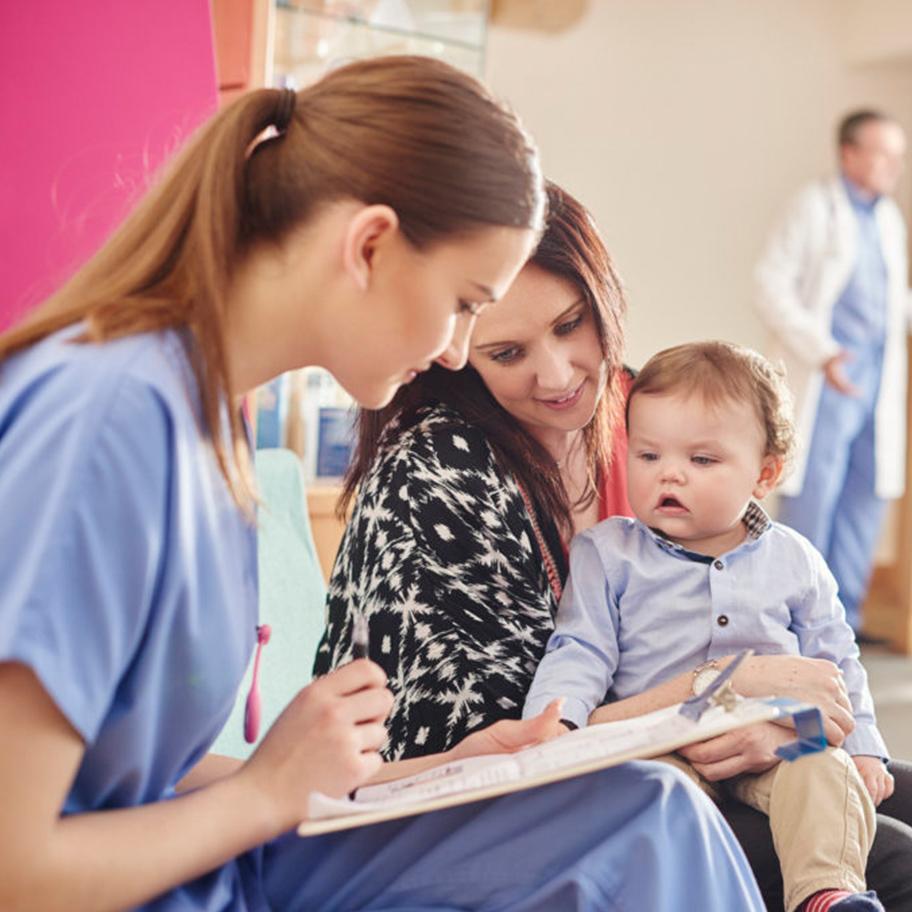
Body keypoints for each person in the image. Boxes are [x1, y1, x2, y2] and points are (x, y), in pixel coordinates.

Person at [0, 56, 768, 912]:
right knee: (651, 831)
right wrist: (265, 794)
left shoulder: (201, 421)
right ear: (367, 246)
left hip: (224, 861)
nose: (454, 351)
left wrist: (434, 770)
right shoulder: (109, 422)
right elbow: (15, 864)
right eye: (466, 305)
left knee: (646, 813)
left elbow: (136, 777)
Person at [317, 183, 912, 911]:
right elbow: (514, 748)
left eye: (573, 324)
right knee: (895, 861)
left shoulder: (630, 415)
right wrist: (727, 692)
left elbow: (827, 667)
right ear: (459, 350)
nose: (560, 373)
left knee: (882, 792)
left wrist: (789, 734)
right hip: (513, 809)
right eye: (508, 352)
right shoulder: (439, 472)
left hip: (695, 744)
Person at [523, 340, 893, 912]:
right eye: (648, 456)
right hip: (661, 741)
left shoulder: (796, 559)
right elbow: (580, 646)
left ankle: (825, 893)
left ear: (764, 473)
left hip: (781, 736)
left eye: (702, 461)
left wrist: (865, 746)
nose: (670, 474)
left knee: (827, 767)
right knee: (657, 801)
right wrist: (556, 721)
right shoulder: (609, 553)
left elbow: (837, 659)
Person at [755, 109, 910, 636]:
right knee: (813, 496)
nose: (894, 165)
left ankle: (848, 620)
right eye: (882, 153)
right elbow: (769, 284)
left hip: (874, 380)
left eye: (898, 154)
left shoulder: (888, 218)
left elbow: (891, 301)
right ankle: (800, 621)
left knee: (865, 496)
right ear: (849, 153)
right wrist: (821, 351)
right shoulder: (813, 207)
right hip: (827, 374)